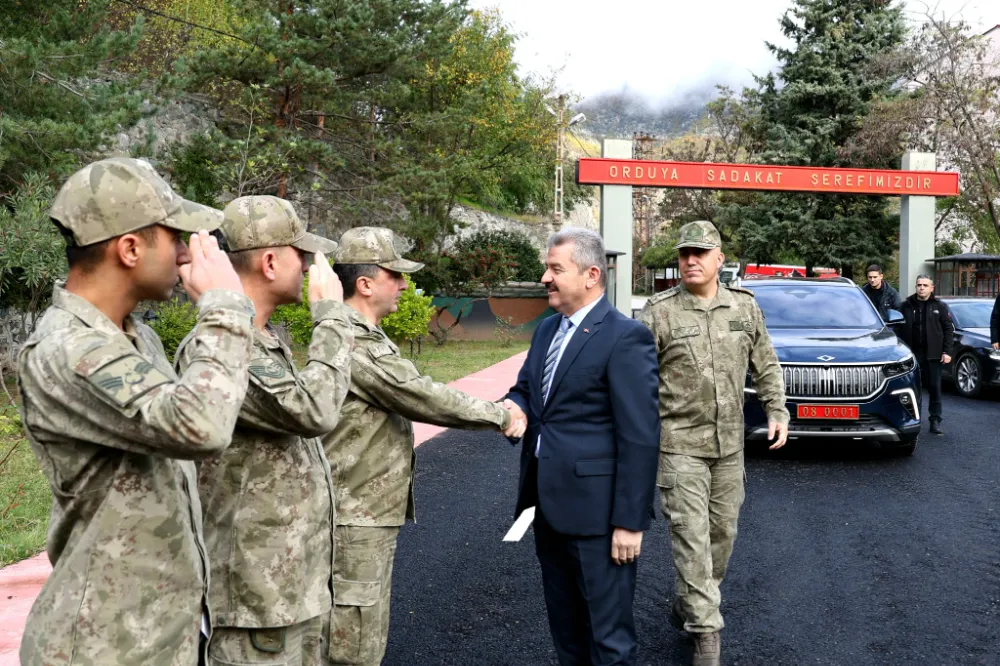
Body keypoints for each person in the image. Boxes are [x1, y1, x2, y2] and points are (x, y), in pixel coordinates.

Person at [16, 157, 255, 666]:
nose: (188, 252)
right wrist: (225, 305)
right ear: (129, 248)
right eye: (175, 238)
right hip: (103, 644)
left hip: (157, 632)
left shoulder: (135, 336)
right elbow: (201, 426)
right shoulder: (68, 349)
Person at [320, 226, 525, 666]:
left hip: (361, 509)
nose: (404, 284)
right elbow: (422, 395)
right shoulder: (354, 341)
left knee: (360, 630)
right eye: (395, 275)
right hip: (352, 514)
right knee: (352, 643)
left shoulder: (362, 335)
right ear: (366, 283)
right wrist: (501, 414)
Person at [174, 196, 352, 666]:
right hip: (255, 607)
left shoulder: (262, 340)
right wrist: (333, 316)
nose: (313, 268)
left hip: (286, 596)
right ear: (270, 262)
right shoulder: (233, 350)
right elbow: (314, 411)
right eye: (303, 255)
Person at [503, 227, 660, 666]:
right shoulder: (547, 330)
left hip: (599, 522)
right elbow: (527, 391)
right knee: (567, 633)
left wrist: (630, 522)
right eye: (546, 268)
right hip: (548, 511)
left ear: (591, 275)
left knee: (608, 641)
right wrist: (514, 408)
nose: (544, 278)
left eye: (555, 269)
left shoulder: (626, 336)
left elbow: (640, 436)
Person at [638, 220, 788, 666]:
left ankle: (689, 604)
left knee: (723, 537)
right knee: (692, 540)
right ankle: (706, 635)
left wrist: (777, 409)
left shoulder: (744, 307)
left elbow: (765, 364)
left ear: (719, 259)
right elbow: (634, 379)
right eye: (685, 253)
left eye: (700, 253)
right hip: (678, 445)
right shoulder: (659, 312)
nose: (690, 260)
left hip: (729, 448)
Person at [897, 275, 954, 435]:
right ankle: (906, 421)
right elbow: (896, 328)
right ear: (916, 287)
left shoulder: (940, 306)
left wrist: (947, 351)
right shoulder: (906, 306)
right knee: (909, 389)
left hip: (933, 355)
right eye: (919, 285)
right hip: (911, 356)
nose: (921, 288)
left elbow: (948, 330)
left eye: (925, 285)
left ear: (931, 288)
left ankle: (935, 421)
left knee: (935, 388)